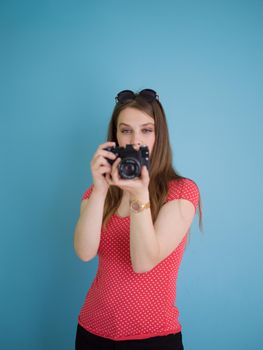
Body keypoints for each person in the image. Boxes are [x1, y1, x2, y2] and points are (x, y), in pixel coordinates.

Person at [73, 88, 203, 350]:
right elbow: (84, 252)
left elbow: (143, 262)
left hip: (154, 337)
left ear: (159, 135)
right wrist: (99, 190)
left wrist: (139, 194)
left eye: (146, 130)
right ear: (115, 137)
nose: (136, 140)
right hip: (92, 331)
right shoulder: (97, 193)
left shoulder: (181, 191)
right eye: (126, 130)